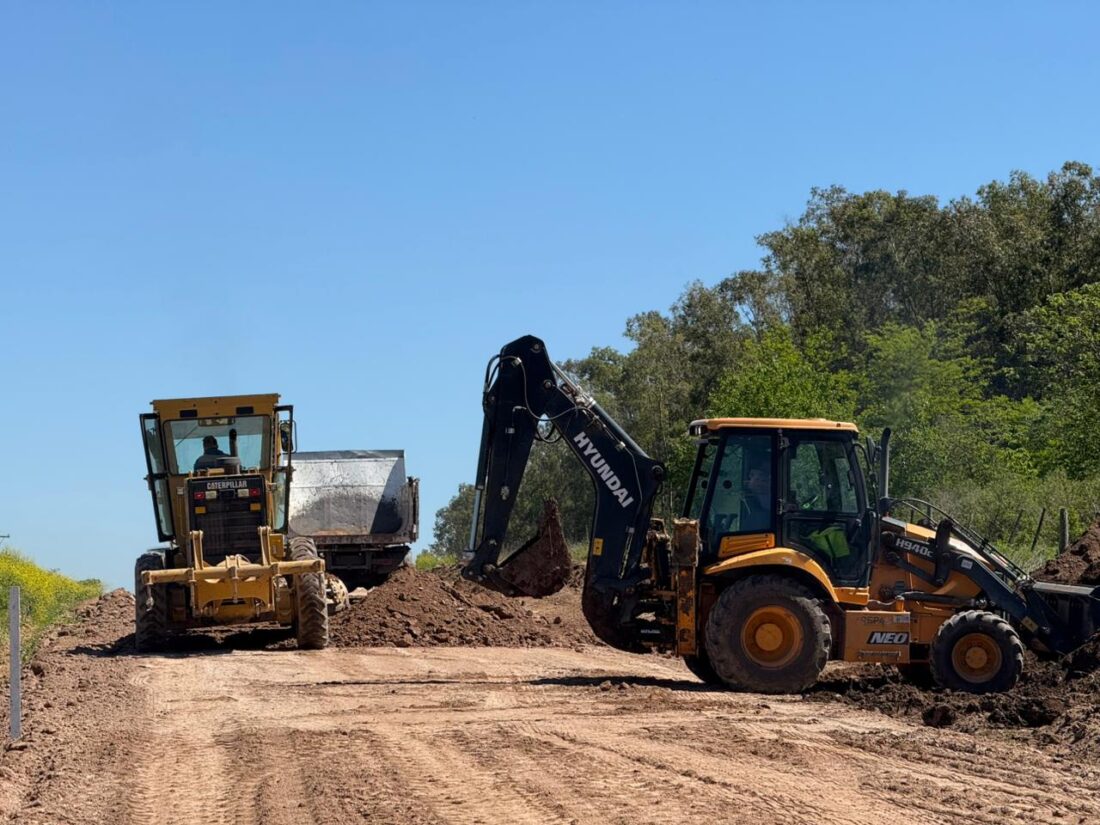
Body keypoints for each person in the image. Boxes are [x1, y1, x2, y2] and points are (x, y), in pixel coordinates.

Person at [739, 463, 772, 532]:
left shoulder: (772, 502)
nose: (751, 479)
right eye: (751, 476)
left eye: (762, 477)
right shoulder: (748, 500)